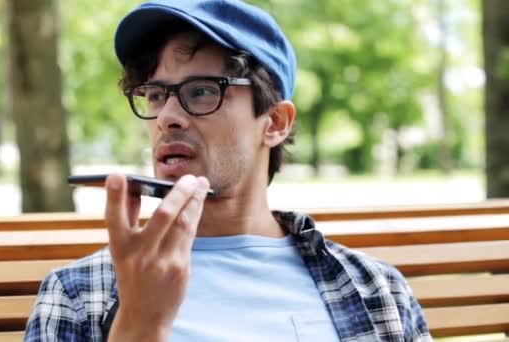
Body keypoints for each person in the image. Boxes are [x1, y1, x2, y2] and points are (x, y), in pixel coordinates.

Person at [24, 0, 431, 341]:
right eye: (154, 94)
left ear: (274, 123)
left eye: (201, 91)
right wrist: (139, 324)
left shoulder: (377, 290)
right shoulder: (78, 293)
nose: (167, 116)